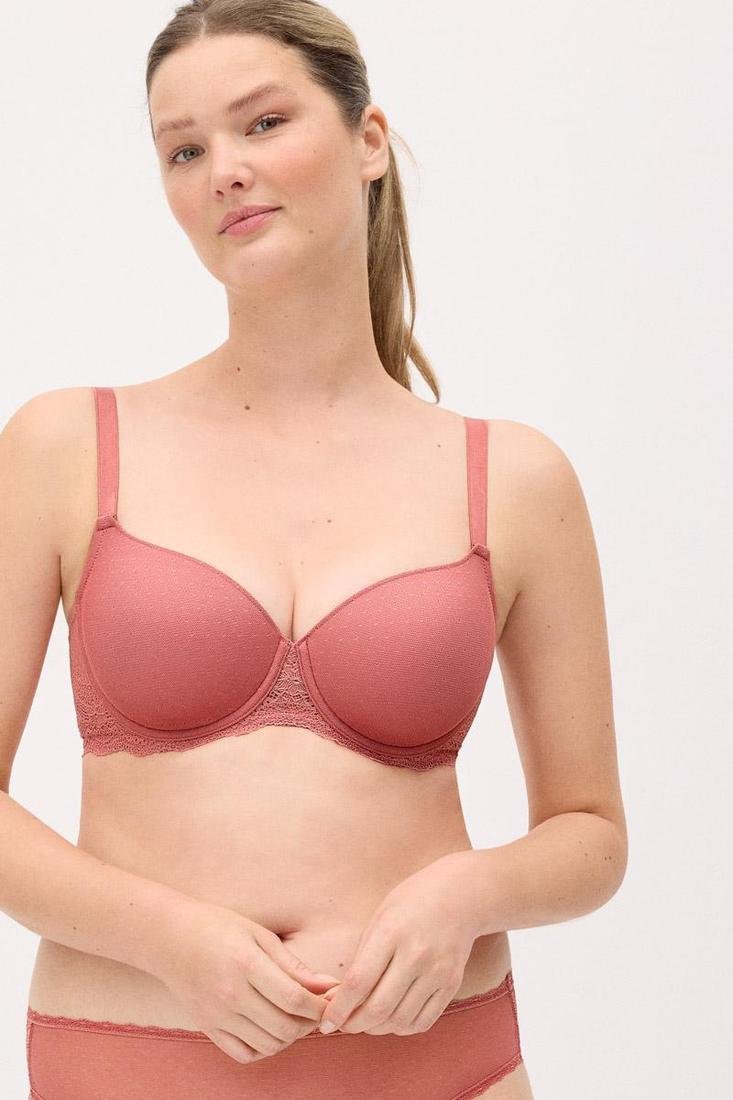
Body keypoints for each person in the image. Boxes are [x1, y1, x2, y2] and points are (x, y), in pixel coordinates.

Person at [1, 2, 627, 1097]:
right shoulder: (66, 448)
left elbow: (591, 835)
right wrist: (170, 937)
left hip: (450, 1069)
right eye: (184, 150)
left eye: (263, 122)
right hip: (132, 1062)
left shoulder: (515, 480)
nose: (225, 171)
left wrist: (463, 893)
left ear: (367, 139)